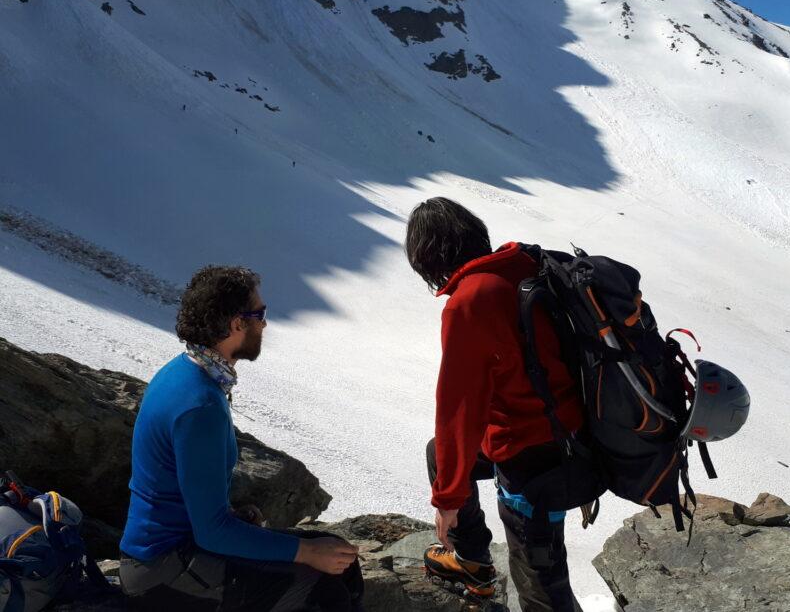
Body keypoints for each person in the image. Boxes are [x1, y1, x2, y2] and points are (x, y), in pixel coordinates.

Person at [119, 265, 363, 611]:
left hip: (172, 551)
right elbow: (212, 533)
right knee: (323, 589)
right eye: (259, 314)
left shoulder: (188, 372)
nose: (264, 323)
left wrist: (237, 517)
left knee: (339, 559)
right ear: (237, 324)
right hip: (161, 569)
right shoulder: (199, 405)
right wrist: (307, 552)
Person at [406, 198, 585, 612]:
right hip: (572, 432)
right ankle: (472, 562)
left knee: (541, 588)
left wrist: (448, 501)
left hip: (533, 455)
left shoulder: (470, 302)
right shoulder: (524, 266)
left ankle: (476, 559)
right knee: (440, 453)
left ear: (429, 257)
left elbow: (458, 409)